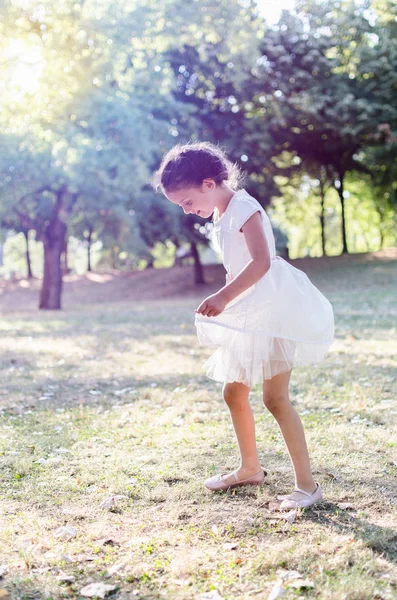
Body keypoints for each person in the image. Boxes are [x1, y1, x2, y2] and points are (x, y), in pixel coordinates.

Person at [151, 141, 334, 510]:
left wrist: (221, 297)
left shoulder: (244, 208)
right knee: (234, 393)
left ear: (207, 183)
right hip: (251, 312)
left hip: (275, 307)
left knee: (274, 398)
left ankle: (307, 486)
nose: (188, 211)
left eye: (187, 202)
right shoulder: (220, 215)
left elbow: (262, 262)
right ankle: (250, 468)